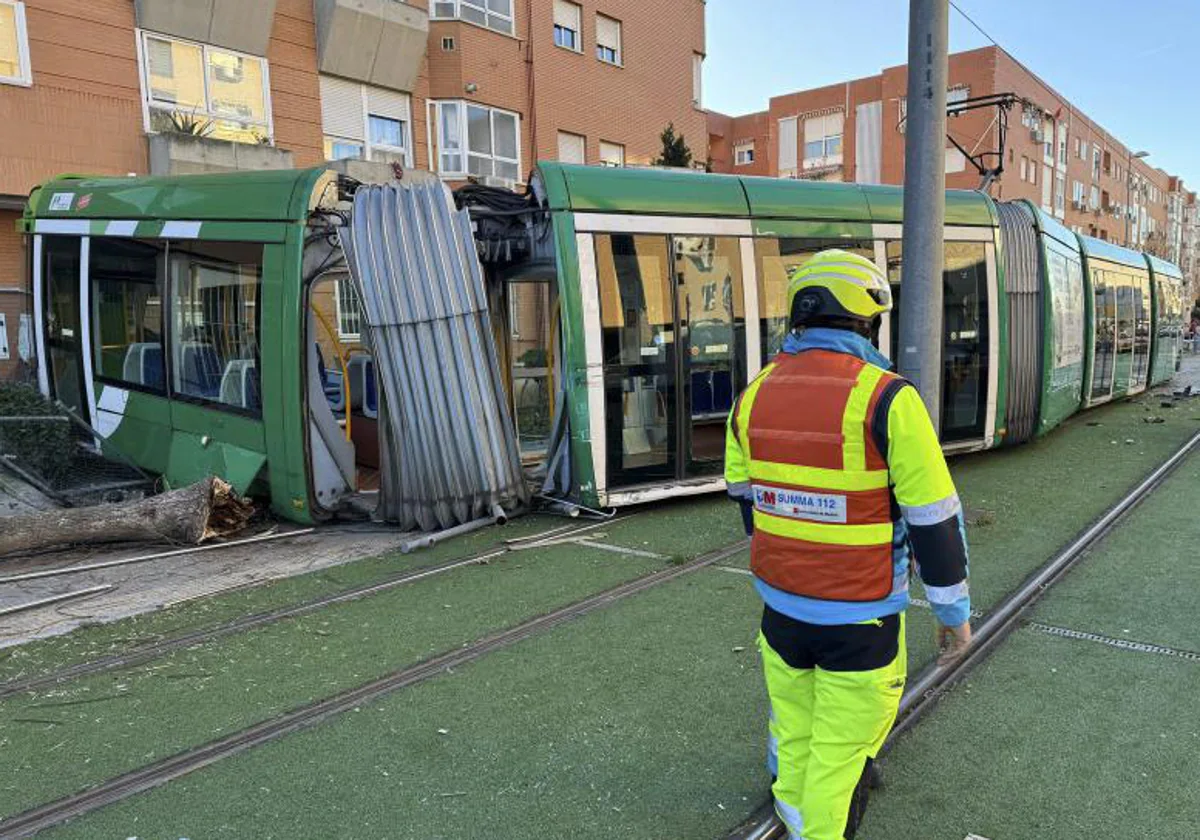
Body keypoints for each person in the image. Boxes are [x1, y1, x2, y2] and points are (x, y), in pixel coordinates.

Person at [724, 250, 973, 840]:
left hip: (781, 609)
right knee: (840, 754)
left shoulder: (752, 394)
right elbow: (934, 519)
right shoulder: (888, 398)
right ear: (869, 321)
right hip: (861, 619)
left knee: (794, 729)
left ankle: (790, 808)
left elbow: (745, 499)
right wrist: (953, 616)